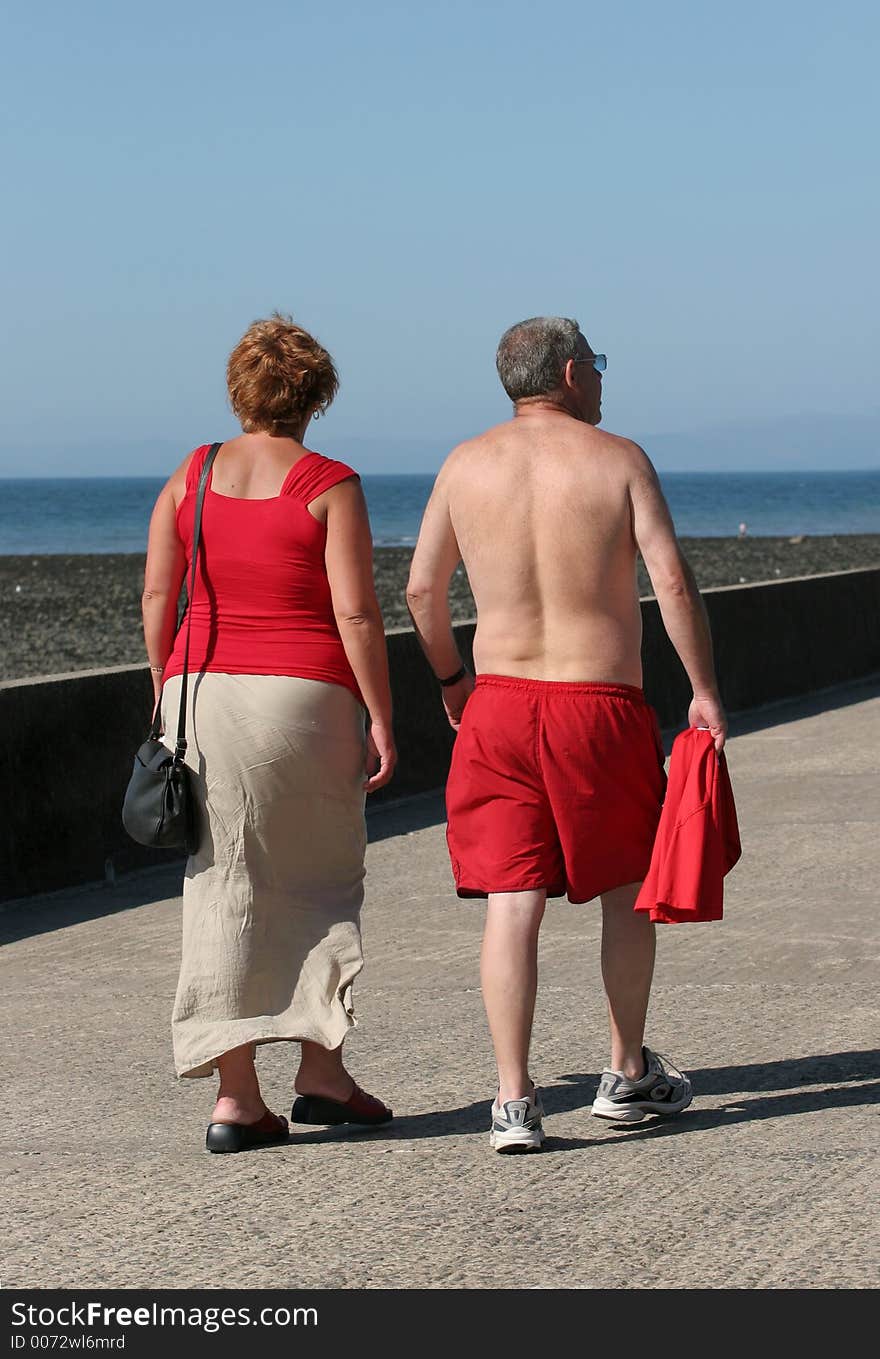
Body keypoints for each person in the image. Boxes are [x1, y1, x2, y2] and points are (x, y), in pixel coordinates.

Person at [406, 316, 727, 1153]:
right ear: (574, 372)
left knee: (512, 903)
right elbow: (671, 582)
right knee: (626, 889)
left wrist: (452, 682)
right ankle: (624, 1073)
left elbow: (418, 591)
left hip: (498, 705)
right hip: (599, 702)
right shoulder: (618, 458)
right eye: (600, 366)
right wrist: (702, 691)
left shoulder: (463, 464)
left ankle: (514, 1101)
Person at [142, 314, 396, 1152]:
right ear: (314, 395)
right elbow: (356, 612)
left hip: (202, 692)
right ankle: (322, 1072)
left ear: (240, 389)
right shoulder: (328, 481)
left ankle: (236, 1098)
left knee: (221, 885)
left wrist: (166, 691)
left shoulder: (193, 473)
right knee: (322, 877)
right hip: (304, 697)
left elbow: (156, 599)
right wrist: (382, 715)